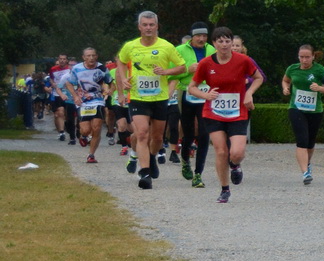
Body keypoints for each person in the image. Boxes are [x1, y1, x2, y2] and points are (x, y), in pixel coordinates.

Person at [190, 27, 263, 203]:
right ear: (214, 44)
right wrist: (205, 95)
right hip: (213, 112)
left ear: (232, 42)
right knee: (221, 151)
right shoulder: (206, 64)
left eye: (227, 41)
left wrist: (249, 93)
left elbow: (259, 78)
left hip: (237, 112)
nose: (224, 45)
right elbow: (191, 87)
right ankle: (224, 189)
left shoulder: (243, 60)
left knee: (236, 152)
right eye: (220, 41)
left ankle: (235, 165)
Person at [115, 12, 180, 190]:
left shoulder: (166, 46)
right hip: (138, 97)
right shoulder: (130, 46)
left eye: (152, 24)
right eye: (145, 24)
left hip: (159, 98)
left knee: (157, 136)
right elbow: (120, 61)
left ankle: (151, 157)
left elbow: (181, 66)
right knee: (142, 133)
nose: (148, 28)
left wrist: (166, 72)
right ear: (139, 27)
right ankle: (145, 173)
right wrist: (124, 78)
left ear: (157, 26)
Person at [282, 45, 324, 184]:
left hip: (315, 111)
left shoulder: (319, 70)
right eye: (301, 57)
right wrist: (285, 88)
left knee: (310, 143)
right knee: (302, 140)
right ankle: (305, 172)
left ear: (313, 56)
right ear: (298, 56)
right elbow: (285, 80)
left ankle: (307, 164)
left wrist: (319, 88)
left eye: (307, 57)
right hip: (296, 108)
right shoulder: (292, 68)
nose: (304, 60)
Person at [174, 23, 214, 180]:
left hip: (206, 93)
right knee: (189, 133)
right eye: (198, 36)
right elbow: (169, 74)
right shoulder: (180, 50)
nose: (202, 39)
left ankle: (198, 173)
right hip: (186, 92)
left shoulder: (212, 50)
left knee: (204, 134)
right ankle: (185, 161)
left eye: (204, 36)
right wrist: (186, 70)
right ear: (192, 37)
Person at [68, 48, 111, 163]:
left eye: (93, 55)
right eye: (88, 56)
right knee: (86, 130)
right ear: (84, 57)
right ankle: (83, 136)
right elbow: (69, 83)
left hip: (97, 100)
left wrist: (110, 91)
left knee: (96, 127)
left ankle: (91, 155)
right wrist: (75, 96)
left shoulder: (102, 68)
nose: (91, 58)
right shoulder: (77, 68)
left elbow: (111, 82)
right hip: (82, 101)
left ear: (96, 56)